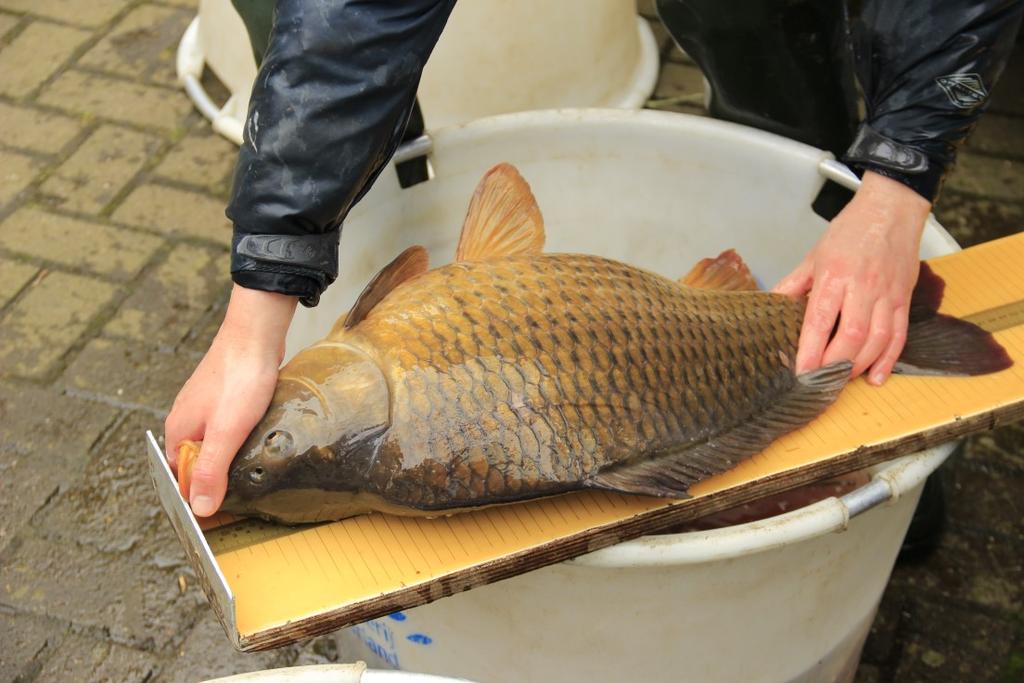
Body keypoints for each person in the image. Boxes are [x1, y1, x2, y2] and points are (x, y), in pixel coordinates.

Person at [166, 0, 1023, 518]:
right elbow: (349, 23)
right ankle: (855, 371)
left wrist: (897, 182)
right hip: (663, 363)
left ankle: (894, 468)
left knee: (763, 42)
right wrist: (257, 308)